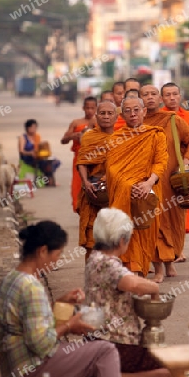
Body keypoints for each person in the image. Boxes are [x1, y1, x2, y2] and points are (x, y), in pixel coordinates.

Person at [0, 220, 122, 377]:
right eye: (57, 254)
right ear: (42, 251)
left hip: (12, 364)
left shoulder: (11, 277)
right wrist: (70, 325)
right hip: (30, 368)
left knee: (94, 364)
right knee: (105, 350)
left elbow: (32, 323)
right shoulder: (31, 286)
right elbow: (41, 343)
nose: (57, 260)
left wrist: (60, 303)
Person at [86, 94, 168, 276]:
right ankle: (130, 271)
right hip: (123, 191)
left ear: (144, 111)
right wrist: (128, 185)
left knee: (147, 230)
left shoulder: (155, 134)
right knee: (124, 230)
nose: (133, 114)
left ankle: (146, 268)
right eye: (128, 111)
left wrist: (147, 183)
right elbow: (112, 168)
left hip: (149, 189)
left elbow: (161, 162)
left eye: (136, 110)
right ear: (122, 114)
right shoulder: (116, 138)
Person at [85, 208, 170, 377]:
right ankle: (121, 376)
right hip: (114, 344)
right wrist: (154, 288)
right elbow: (131, 283)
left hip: (96, 340)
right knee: (169, 366)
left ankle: (108, 373)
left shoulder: (94, 258)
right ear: (122, 241)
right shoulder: (107, 263)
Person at [140, 85, 189, 282]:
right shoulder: (137, 123)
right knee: (153, 224)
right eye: (145, 95)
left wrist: (188, 160)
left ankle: (170, 260)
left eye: (153, 94)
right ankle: (157, 268)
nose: (150, 98)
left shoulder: (173, 120)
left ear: (160, 98)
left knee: (173, 223)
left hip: (171, 182)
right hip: (148, 183)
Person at [161, 82, 189, 260]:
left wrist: (185, 160)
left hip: (183, 171)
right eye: (167, 95)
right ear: (162, 98)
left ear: (180, 96)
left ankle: (178, 249)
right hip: (162, 169)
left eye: (175, 94)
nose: (172, 98)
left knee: (181, 210)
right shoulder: (157, 118)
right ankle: (165, 248)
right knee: (163, 210)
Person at [77, 101, 118, 262]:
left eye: (110, 113)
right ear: (96, 116)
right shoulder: (89, 136)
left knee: (115, 235)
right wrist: (86, 182)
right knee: (92, 235)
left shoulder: (122, 137)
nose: (106, 117)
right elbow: (82, 161)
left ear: (116, 116)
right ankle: (91, 275)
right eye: (102, 113)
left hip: (114, 191)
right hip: (92, 190)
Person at [60, 97, 97, 212]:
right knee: (77, 186)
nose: (90, 111)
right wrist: (73, 136)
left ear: (96, 108)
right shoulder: (76, 123)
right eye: (87, 108)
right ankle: (80, 209)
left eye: (92, 108)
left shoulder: (99, 122)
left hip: (95, 158)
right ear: (83, 108)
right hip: (79, 159)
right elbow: (63, 140)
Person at [18, 119, 60, 186]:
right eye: (32, 127)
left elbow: (39, 148)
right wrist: (30, 153)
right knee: (45, 163)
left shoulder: (37, 136)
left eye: (35, 127)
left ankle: (48, 178)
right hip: (28, 158)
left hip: (37, 156)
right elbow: (21, 151)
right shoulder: (23, 137)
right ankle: (48, 180)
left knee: (55, 161)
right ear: (27, 128)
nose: (34, 129)